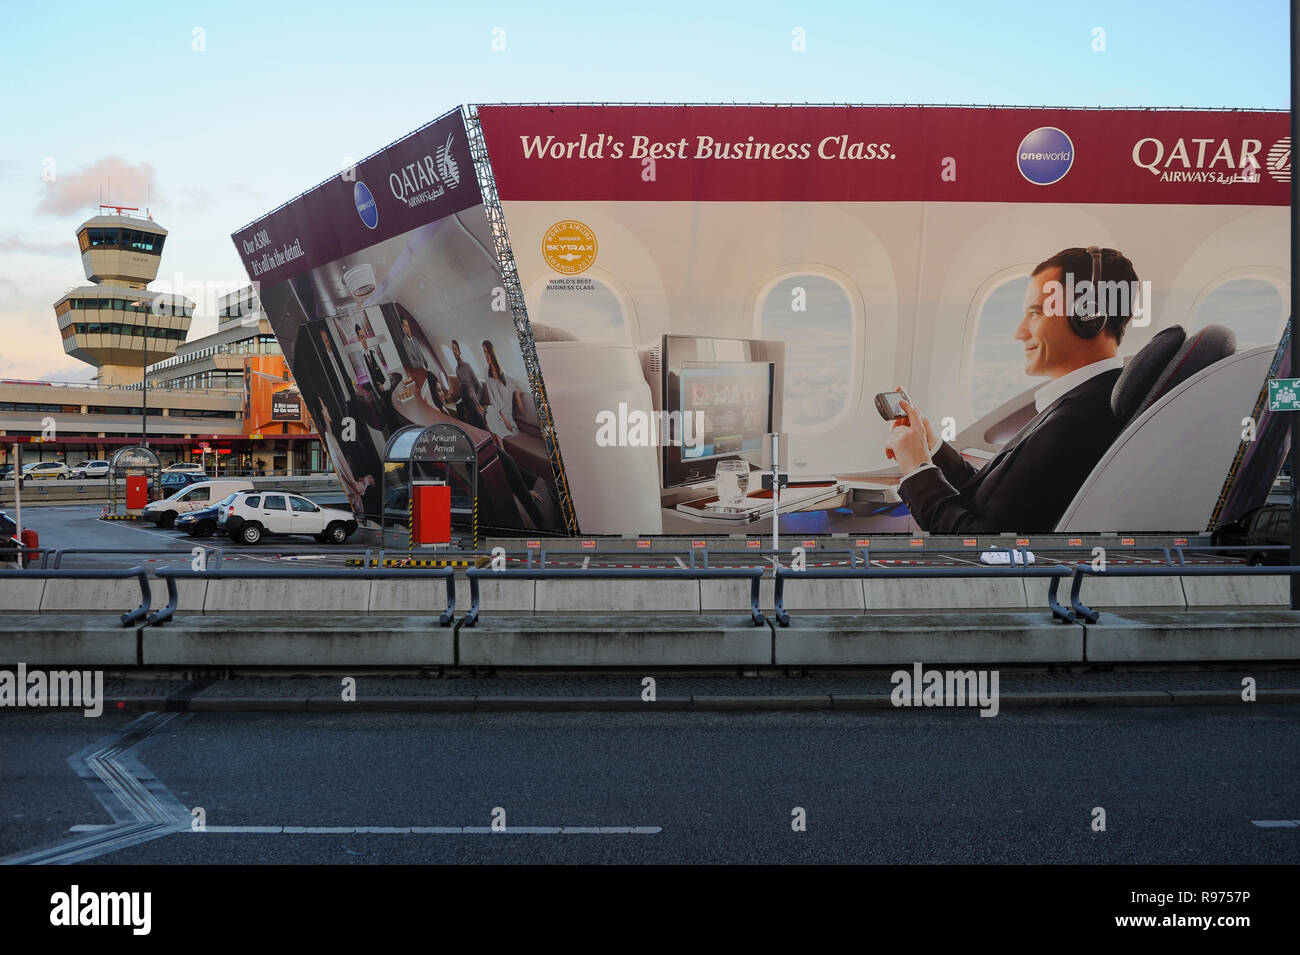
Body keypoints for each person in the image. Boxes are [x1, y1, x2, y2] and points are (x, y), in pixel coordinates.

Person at [886, 246, 1139, 534]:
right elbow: (997, 498)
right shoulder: (1083, 399)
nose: (1019, 333)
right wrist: (932, 448)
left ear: (1089, 316)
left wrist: (917, 467)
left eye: (1036, 314)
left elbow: (982, 542)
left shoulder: (1081, 420)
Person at [313, 395, 376, 515]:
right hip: (357, 508)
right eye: (323, 406)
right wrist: (367, 481)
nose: (327, 408)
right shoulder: (332, 446)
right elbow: (355, 488)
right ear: (322, 413)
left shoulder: (329, 439)